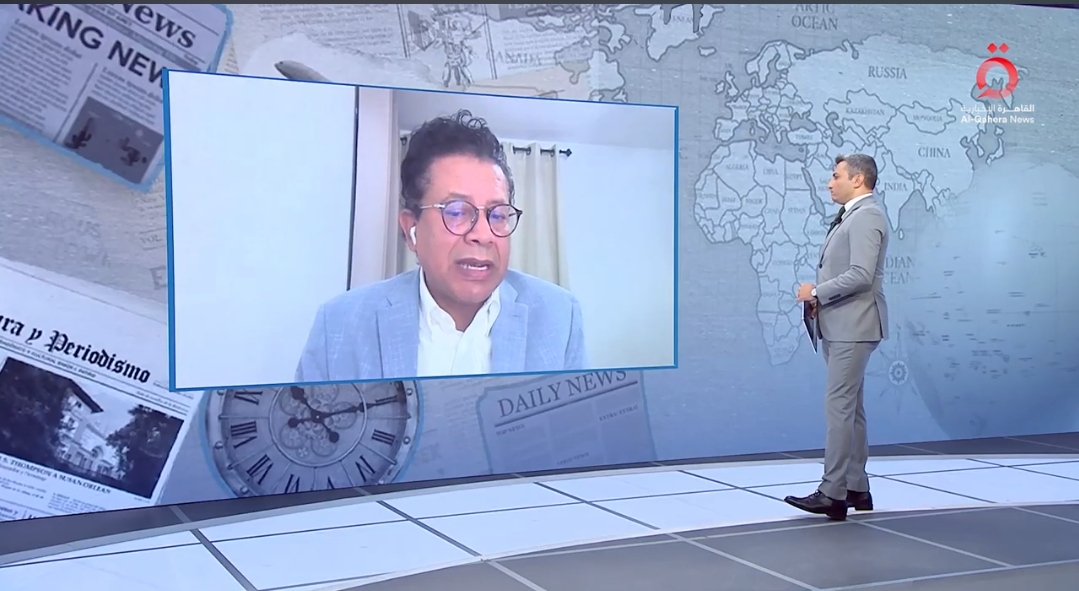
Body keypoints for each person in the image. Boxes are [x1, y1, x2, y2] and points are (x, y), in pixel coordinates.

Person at [295, 109, 588, 382]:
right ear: (411, 229)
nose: (483, 235)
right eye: (457, 212)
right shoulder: (339, 325)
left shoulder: (560, 317)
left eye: (498, 214)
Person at [787, 153, 890, 521]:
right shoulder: (854, 216)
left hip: (854, 326)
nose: (830, 183)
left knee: (839, 408)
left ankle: (833, 492)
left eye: (836, 176)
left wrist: (816, 292)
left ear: (858, 179)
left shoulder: (867, 216)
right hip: (845, 324)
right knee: (851, 409)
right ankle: (856, 486)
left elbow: (861, 274)